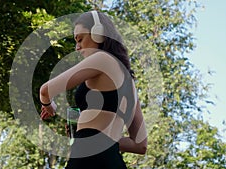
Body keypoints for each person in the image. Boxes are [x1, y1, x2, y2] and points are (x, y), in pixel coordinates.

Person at [39, 11, 147, 169]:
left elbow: (45, 91)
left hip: (86, 158)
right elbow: (140, 145)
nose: (77, 47)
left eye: (80, 39)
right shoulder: (131, 84)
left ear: (98, 33)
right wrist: (103, 138)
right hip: (113, 160)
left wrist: (49, 106)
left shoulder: (102, 59)